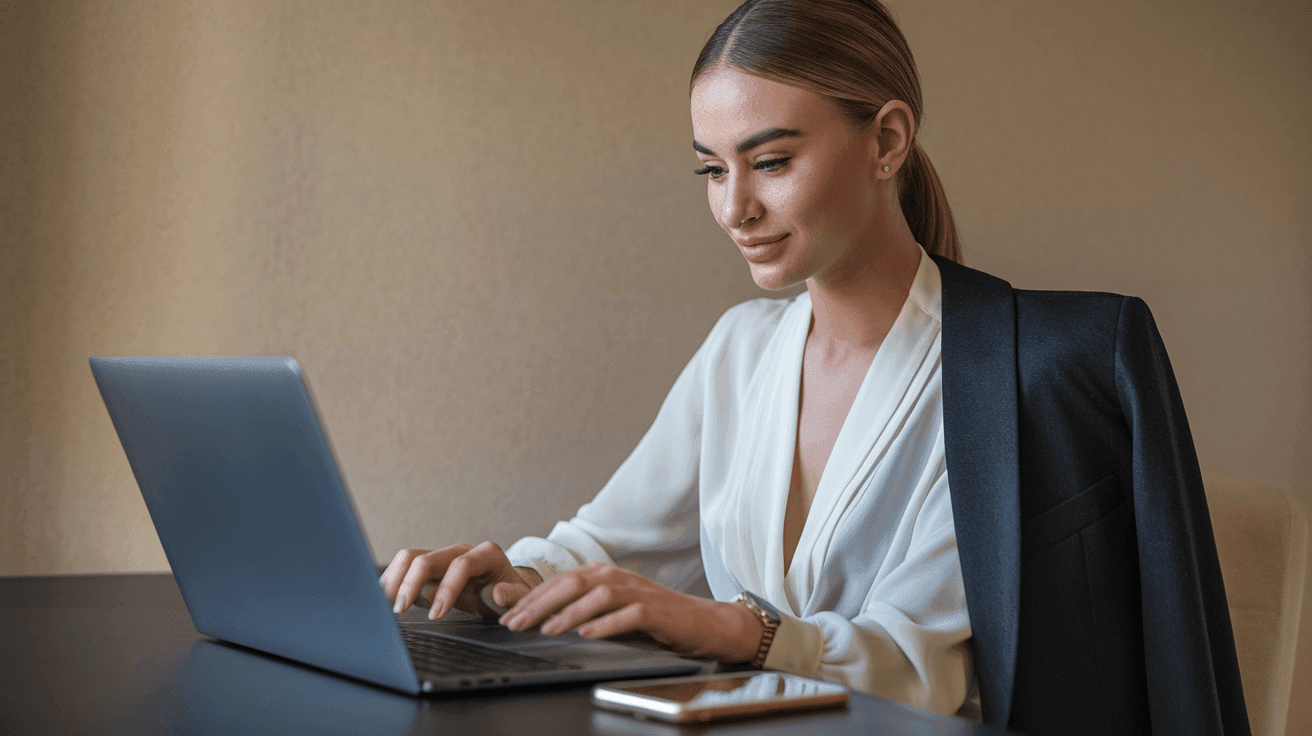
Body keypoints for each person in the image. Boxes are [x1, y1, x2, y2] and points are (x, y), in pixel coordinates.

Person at [382, 2, 1250, 733]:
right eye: (711, 169)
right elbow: (605, 547)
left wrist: (734, 630)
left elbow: (929, 668)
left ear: (888, 140)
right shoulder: (740, 349)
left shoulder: (1018, 374)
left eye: (770, 162)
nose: (733, 207)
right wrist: (506, 581)